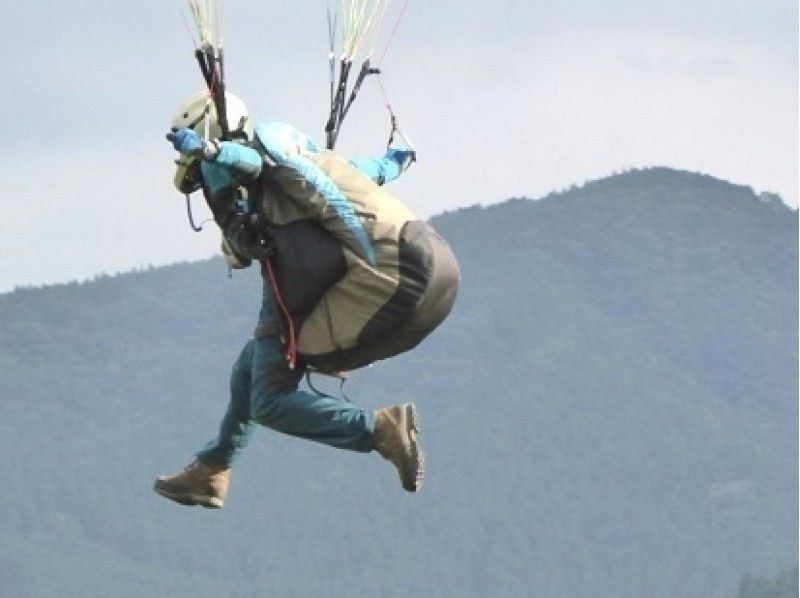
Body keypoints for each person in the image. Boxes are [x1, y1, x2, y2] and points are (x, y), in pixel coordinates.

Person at [153, 91, 455, 508]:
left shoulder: (255, 163)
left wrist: (211, 152)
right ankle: (212, 468)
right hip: (436, 271)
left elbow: (250, 164)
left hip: (394, 280)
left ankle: (381, 429)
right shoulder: (303, 163)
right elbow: (371, 171)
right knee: (252, 366)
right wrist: (397, 160)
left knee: (269, 400)